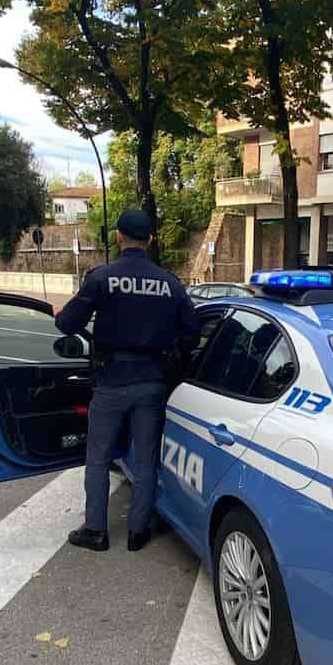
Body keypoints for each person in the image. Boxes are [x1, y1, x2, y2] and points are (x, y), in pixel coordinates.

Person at [56, 209, 200, 553]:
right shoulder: (170, 283)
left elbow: (66, 324)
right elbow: (192, 332)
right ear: (151, 240)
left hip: (111, 383)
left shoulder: (101, 278)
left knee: (99, 458)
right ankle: (138, 532)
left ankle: (96, 531)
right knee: (146, 458)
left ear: (119, 236)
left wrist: (78, 325)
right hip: (153, 383)